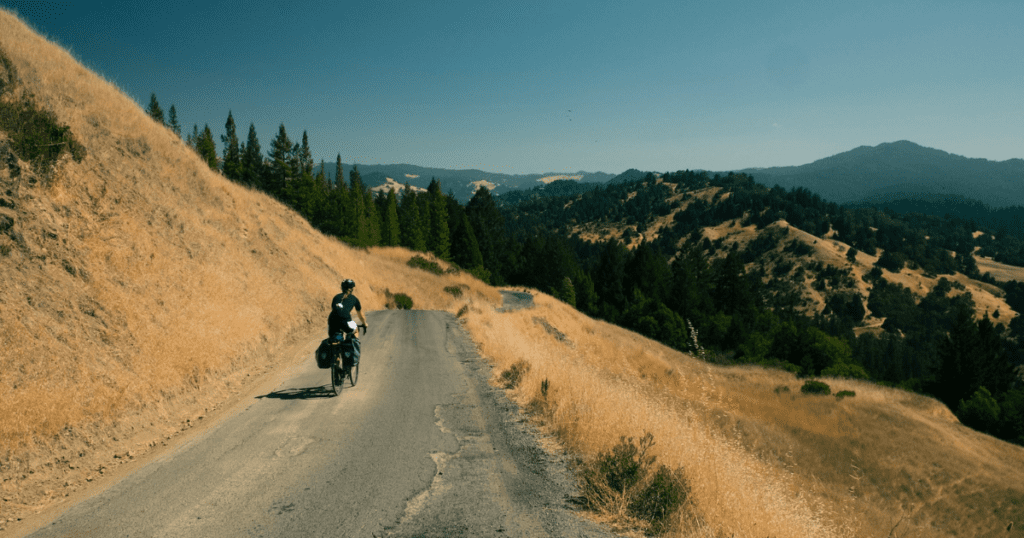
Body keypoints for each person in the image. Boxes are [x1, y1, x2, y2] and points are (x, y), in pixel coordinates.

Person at [328, 279, 367, 365]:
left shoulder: (336, 297)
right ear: (352, 289)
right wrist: (364, 324)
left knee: (336, 339)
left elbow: (336, 311)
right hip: (346, 320)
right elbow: (360, 315)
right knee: (355, 329)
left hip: (332, 320)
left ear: (342, 288)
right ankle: (351, 348)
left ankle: (336, 360)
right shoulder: (354, 299)